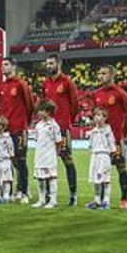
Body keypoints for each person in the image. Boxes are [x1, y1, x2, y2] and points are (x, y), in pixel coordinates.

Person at [91, 65, 127, 209]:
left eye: (104, 73)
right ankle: (101, 200)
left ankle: (124, 199)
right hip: (100, 140)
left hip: (115, 138)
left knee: (121, 167)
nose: (100, 76)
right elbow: (95, 115)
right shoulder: (96, 93)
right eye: (99, 73)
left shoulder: (120, 94)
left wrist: (123, 133)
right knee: (100, 169)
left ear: (111, 75)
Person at [40, 55, 81, 206]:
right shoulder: (46, 83)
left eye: (51, 63)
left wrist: (66, 120)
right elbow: (44, 104)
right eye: (47, 63)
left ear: (59, 64)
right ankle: (47, 196)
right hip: (47, 129)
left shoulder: (67, 82)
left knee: (67, 158)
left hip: (62, 127)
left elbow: (75, 103)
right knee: (46, 162)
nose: (49, 66)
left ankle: (73, 195)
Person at [0, 58, 35, 201]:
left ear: (14, 67)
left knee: (21, 160)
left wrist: (25, 123)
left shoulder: (21, 84)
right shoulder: (1, 86)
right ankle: (19, 189)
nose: (3, 67)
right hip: (6, 130)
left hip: (19, 128)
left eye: (6, 65)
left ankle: (24, 193)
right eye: (2, 65)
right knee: (11, 161)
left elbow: (30, 105)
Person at [31, 100, 63, 208]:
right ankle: (42, 199)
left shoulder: (54, 125)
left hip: (50, 156)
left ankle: (53, 200)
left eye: (40, 111)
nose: (38, 113)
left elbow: (58, 142)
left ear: (48, 112)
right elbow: (37, 140)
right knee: (40, 178)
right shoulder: (38, 125)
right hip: (39, 155)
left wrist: (56, 154)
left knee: (51, 177)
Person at [85, 107, 116, 210]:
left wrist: (110, 158)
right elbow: (91, 145)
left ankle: (106, 201)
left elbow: (112, 146)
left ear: (105, 118)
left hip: (104, 156)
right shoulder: (93, 131)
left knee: (105, 180)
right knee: (95, 180)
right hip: (95, 156)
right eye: (95, 115)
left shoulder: (108, 131)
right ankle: (97, 200)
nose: (96, 117)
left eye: (99, 115)